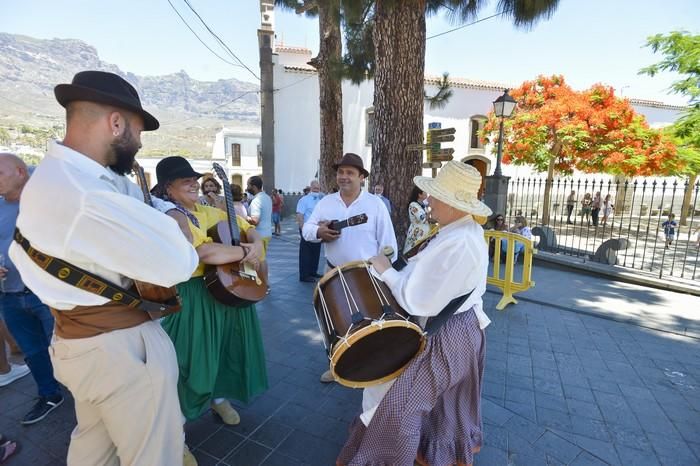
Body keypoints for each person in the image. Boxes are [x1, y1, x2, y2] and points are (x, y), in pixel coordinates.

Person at [8, 70, 200, 466]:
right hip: (120, 351)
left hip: (80, 345)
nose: (140, 141)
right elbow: (180, 263)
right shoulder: (85, 195)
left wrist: (163, 213)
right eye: (138, 130)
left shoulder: (66, 176)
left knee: (94, 450)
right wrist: (176, 224)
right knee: (153, 456)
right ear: (116, 123)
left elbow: (137, 196)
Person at [336, 161, 491, 466]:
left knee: (400, 405)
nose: (427, 200)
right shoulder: (457, 231)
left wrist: (385, 270)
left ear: (453, 203)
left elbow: (418, 301)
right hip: (456, 327)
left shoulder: (459, 243)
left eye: (434, 196)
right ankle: (431, 454)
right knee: (445, 404)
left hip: (447, 333)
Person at [151, 157, 268, 438]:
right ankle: (174, 433)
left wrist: (253, 240)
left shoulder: (204, 210)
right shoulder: (169, 216)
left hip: (225, 290)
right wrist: (246, 252)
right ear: (168, 188)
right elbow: (204, 253)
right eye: (185, 180)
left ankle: (218, 400)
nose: (193, 183)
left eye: (194, 179)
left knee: (226, 350)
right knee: (192, 360)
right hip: (193, 295)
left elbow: (243, 224)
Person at [302, 153, 397, 383]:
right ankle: (337, 367)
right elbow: (307, 230)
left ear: (362, 177)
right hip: (333, 272)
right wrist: (319, 232)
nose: (344, 177)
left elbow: (389, 245)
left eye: (350, 173)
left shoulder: (375, 205)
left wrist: (384, 274)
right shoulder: (325, 203)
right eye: (340, 172)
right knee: (333, 324)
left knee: (371, 325)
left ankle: (373, 368)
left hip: (367, 275)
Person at [0, 154, 65, 425]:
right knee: (33, 352)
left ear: (20, 171)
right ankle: (49, 394)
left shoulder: (47, 203)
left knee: (66, 349)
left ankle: (88, 399)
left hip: (45, 293)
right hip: (10, 296)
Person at [296, 179, 324, 282]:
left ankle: (313, 271)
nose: (317, 190)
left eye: (318, 188)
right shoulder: (304, 200)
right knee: (306, 253)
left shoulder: (321, 200)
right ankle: (304, 275)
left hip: (317, 230)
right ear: (310, 188)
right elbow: (300, 215)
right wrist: (302, 229)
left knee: (316, 251)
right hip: (307, 229)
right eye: (315, 188)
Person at [246, 176, 273, 251]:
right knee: (261, 260)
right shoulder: (267, 197)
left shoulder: (257, 201)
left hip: (259, 236)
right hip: (266, 233)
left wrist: (244, 217)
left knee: (259, 260)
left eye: (248, 185)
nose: (247, 188)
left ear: (254, 187)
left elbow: (255, 221)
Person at [403, 186, 430, 253]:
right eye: (425, 191)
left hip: (424, 234)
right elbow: (422, 218)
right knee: (414, 253)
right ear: (419, 195)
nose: (427, 193)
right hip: (417, 234)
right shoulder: (413, 205)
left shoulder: (423, 205)